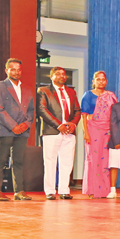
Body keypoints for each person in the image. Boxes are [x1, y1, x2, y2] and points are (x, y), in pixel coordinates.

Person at [0, 58, 35, 201]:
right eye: (13, 69)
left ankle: (19, 191)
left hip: (22, 131)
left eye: (18, 69)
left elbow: (30, 111)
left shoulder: (27, 89)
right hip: (5, 129)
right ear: (6, 70)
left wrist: (25, 125)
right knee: (1, 160)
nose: (16, 72)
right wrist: (13, 126)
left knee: (19, 161)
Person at [36, 66, 80, 200]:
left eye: (63, 74)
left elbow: (78, 111)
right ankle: (49, 191)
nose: (62, 76)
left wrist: (73, 123)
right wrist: (59, 125)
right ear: (51, 76)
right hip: (51, 132)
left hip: (69, 132)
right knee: (50, 162)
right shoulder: (43, 90)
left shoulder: (71, 92)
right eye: (58, 74)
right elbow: (42, 110)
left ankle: (64, 190)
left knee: (67, 162)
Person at [80, 71, 117, 199]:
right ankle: (92, 190)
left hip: (107, 130)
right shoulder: (88, 95)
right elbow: (83, 116)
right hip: (93, 129)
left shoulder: (111, 96)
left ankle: (105, 191)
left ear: (106, 81)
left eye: (103, 79)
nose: (101, 81)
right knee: (93, 159)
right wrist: (86, 133)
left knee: (106, 160)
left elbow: (115, 114)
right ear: (93, 81)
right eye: (98, 79)